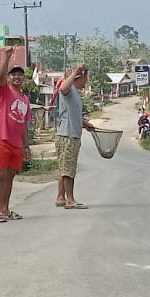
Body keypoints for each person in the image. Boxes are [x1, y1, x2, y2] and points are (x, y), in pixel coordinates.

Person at [0, 50, 32, 223]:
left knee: (10, 176)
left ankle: (6, 209)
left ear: (24, 79)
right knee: (1, 175)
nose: (17, 77)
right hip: (1, 138)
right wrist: (6, 57)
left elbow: (23, 124)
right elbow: (0, 77)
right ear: (9, 78)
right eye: (13, 74)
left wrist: (26, 146)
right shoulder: (5, 92)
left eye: (20, 75)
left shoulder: (25, 100)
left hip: (16, 143)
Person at [54, 64, 94, 210]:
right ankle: (70, 200)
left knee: (65, 168)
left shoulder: (76, 93)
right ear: (81, 77)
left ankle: (60, 197)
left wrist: (85, 123)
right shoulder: (69, 89)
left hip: (72, 134)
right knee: (68, 170)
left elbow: (72, 114)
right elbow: (62, 88)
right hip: (67, 135)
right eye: (86, 78)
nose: (86, 82)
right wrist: (76, 71)